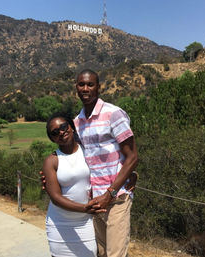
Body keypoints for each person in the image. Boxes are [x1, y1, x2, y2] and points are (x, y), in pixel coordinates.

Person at [74, 69, 138, 257]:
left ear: (99, 88)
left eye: (90, 84)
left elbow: (132, 157)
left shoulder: (113, 114)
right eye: (81, 84)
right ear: (76, 88)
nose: (85, 88)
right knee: (101, 252)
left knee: (115, 254)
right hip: (94, 199)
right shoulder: (77, 122)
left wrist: (110, 193)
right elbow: (76, 156)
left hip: (117, 197)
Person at [43, 114, 105, 257]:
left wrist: (131, 174)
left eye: (64, 126)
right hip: (59, 223)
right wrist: (85, 208)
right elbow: (56, 198)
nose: (61, 132)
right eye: (55, 132)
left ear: (71, 127)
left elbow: (109, 165)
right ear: (52, 138)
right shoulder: (52, 161)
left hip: (85, 223)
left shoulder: (88, 151)